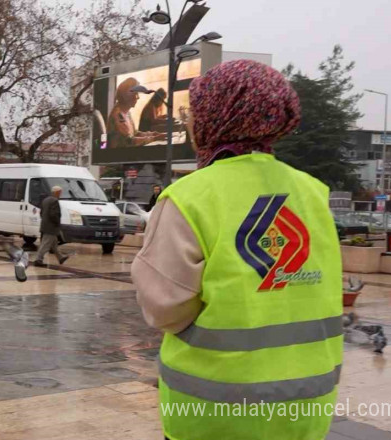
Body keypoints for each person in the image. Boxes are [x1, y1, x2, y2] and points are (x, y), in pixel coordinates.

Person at [131, 60, 341, 440]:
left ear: (220, 115)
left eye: (192, 112)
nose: (190, 121)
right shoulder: (313, 193)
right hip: (305, 410)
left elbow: (164, 308)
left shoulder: (189, 198)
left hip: (213, 414)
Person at [107, 77, 167, 148]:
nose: (138, 97)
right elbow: (129, 141)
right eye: (136, 94)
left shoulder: (126, 113)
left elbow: (135, 133)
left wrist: (153, 134)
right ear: (127, 95)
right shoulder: (118, 115)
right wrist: (154, 138)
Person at [33, 186, 69, 267]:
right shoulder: (54, 201)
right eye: (60, 192)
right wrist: (57, 223)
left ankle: (60, 258)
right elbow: (54, 214)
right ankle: (38, 260)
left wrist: (46, 221)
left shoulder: (45, 200)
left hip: (45, 225)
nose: (60, 194)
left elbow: (41, 213)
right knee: (45, 244)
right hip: (51, 227)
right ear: (56, 192)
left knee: (54, 244)